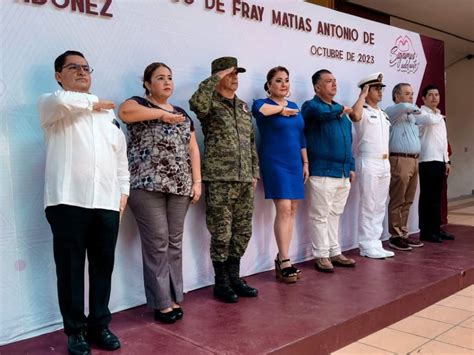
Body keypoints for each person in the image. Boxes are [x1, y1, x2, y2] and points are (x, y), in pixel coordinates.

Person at [39, 50, 129, 355]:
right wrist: (93, 101)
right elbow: (62, 102)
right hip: (67, 202)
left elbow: (120, 158)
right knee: (71, 269)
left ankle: (100, 326)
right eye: (73, 67)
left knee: (103, 268)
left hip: (106, 203)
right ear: (58, 75)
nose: (81, 72)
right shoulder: (53, 106)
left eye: (85, 67)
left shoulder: (108, 115)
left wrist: (123, 193)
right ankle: (75, 331)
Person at [118, 62, 202, 324]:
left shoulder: (181, 112)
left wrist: (197, 182)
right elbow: (125, 113)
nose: (167, 82)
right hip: (146, 185)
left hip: (179, 186)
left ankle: (176, 296)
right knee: (157, 243)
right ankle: (161, 303)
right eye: (160, 78)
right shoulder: (137, 104)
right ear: (147, 84)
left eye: (170, 78)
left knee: (174, 243)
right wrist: (159, 116)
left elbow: (193, 149)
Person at [189, 56, 259, 303]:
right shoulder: (209, 104)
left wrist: (254, 173)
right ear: (218, 76)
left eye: (237, 73)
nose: (235, 77)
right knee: (221, 233)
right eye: (230, 73)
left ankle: (234, 277)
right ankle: (221, 283)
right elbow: (195, 103)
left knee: (243, 231)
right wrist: (216, 78)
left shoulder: (242, 107)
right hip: (219, 178)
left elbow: (250, 142)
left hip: (243, 179)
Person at [252, 66, 308, 283]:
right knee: (283, 208)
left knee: (292, 209)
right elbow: (262, 112)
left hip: (295, 162)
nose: (283, 84)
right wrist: (280, 110)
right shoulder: (262, 103)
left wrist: (305, 161)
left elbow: (301, 136)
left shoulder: (295, 106)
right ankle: (284, 259)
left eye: (286, 80)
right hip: (275, 161)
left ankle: (283, 256)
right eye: (278, 81)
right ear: (269, 85)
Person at [301, 69, 357, 273]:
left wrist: (351, 165)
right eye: (328, 81)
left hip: (342, 173)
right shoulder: (311, 107)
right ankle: (321, 255)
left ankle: (335, 251)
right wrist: (342, 109)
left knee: (335, 214)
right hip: (322, 171)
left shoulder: (340, 112)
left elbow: (348, 141)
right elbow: (321, 115)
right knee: (320, 215)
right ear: (317, 87)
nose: (334, 84)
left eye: (335, 80)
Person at [350, 73, 395, 259]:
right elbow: (355, 115)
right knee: (369, 204)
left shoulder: (382, 113)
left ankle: (375, 242)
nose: (380, 91)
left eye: (380, 88)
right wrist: (362, 96)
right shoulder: (363, 110)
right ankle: (366, 245)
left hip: (385, 162)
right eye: (375, 88)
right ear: (366, 90)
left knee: (380, 205)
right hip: (369, 161)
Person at [385, 83, 429, 251]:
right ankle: (395, 236)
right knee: (398, 199)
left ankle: (403, 233)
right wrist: (414, 108)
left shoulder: (411, 115)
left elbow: (425, 117)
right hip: (400, 160)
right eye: (407, 93)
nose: (411, 96)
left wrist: (416, 110)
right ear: (396, 96)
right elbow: (405, 106)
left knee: (408, 200)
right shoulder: (393, 111)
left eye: (412, 93)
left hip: (414, 160)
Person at [418, 84, 455, 243]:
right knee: (427, 198)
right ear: (424, 98)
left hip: (439, 161)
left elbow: (443, 141)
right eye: (431, 95)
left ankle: (436, 229)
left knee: (437, 198)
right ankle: (426, 232)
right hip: (426, 160)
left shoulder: (439, 115)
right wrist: (440, 116)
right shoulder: (421, 113)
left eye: (437, 95)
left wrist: (447, 161)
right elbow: (430, 120)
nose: (435, 98)